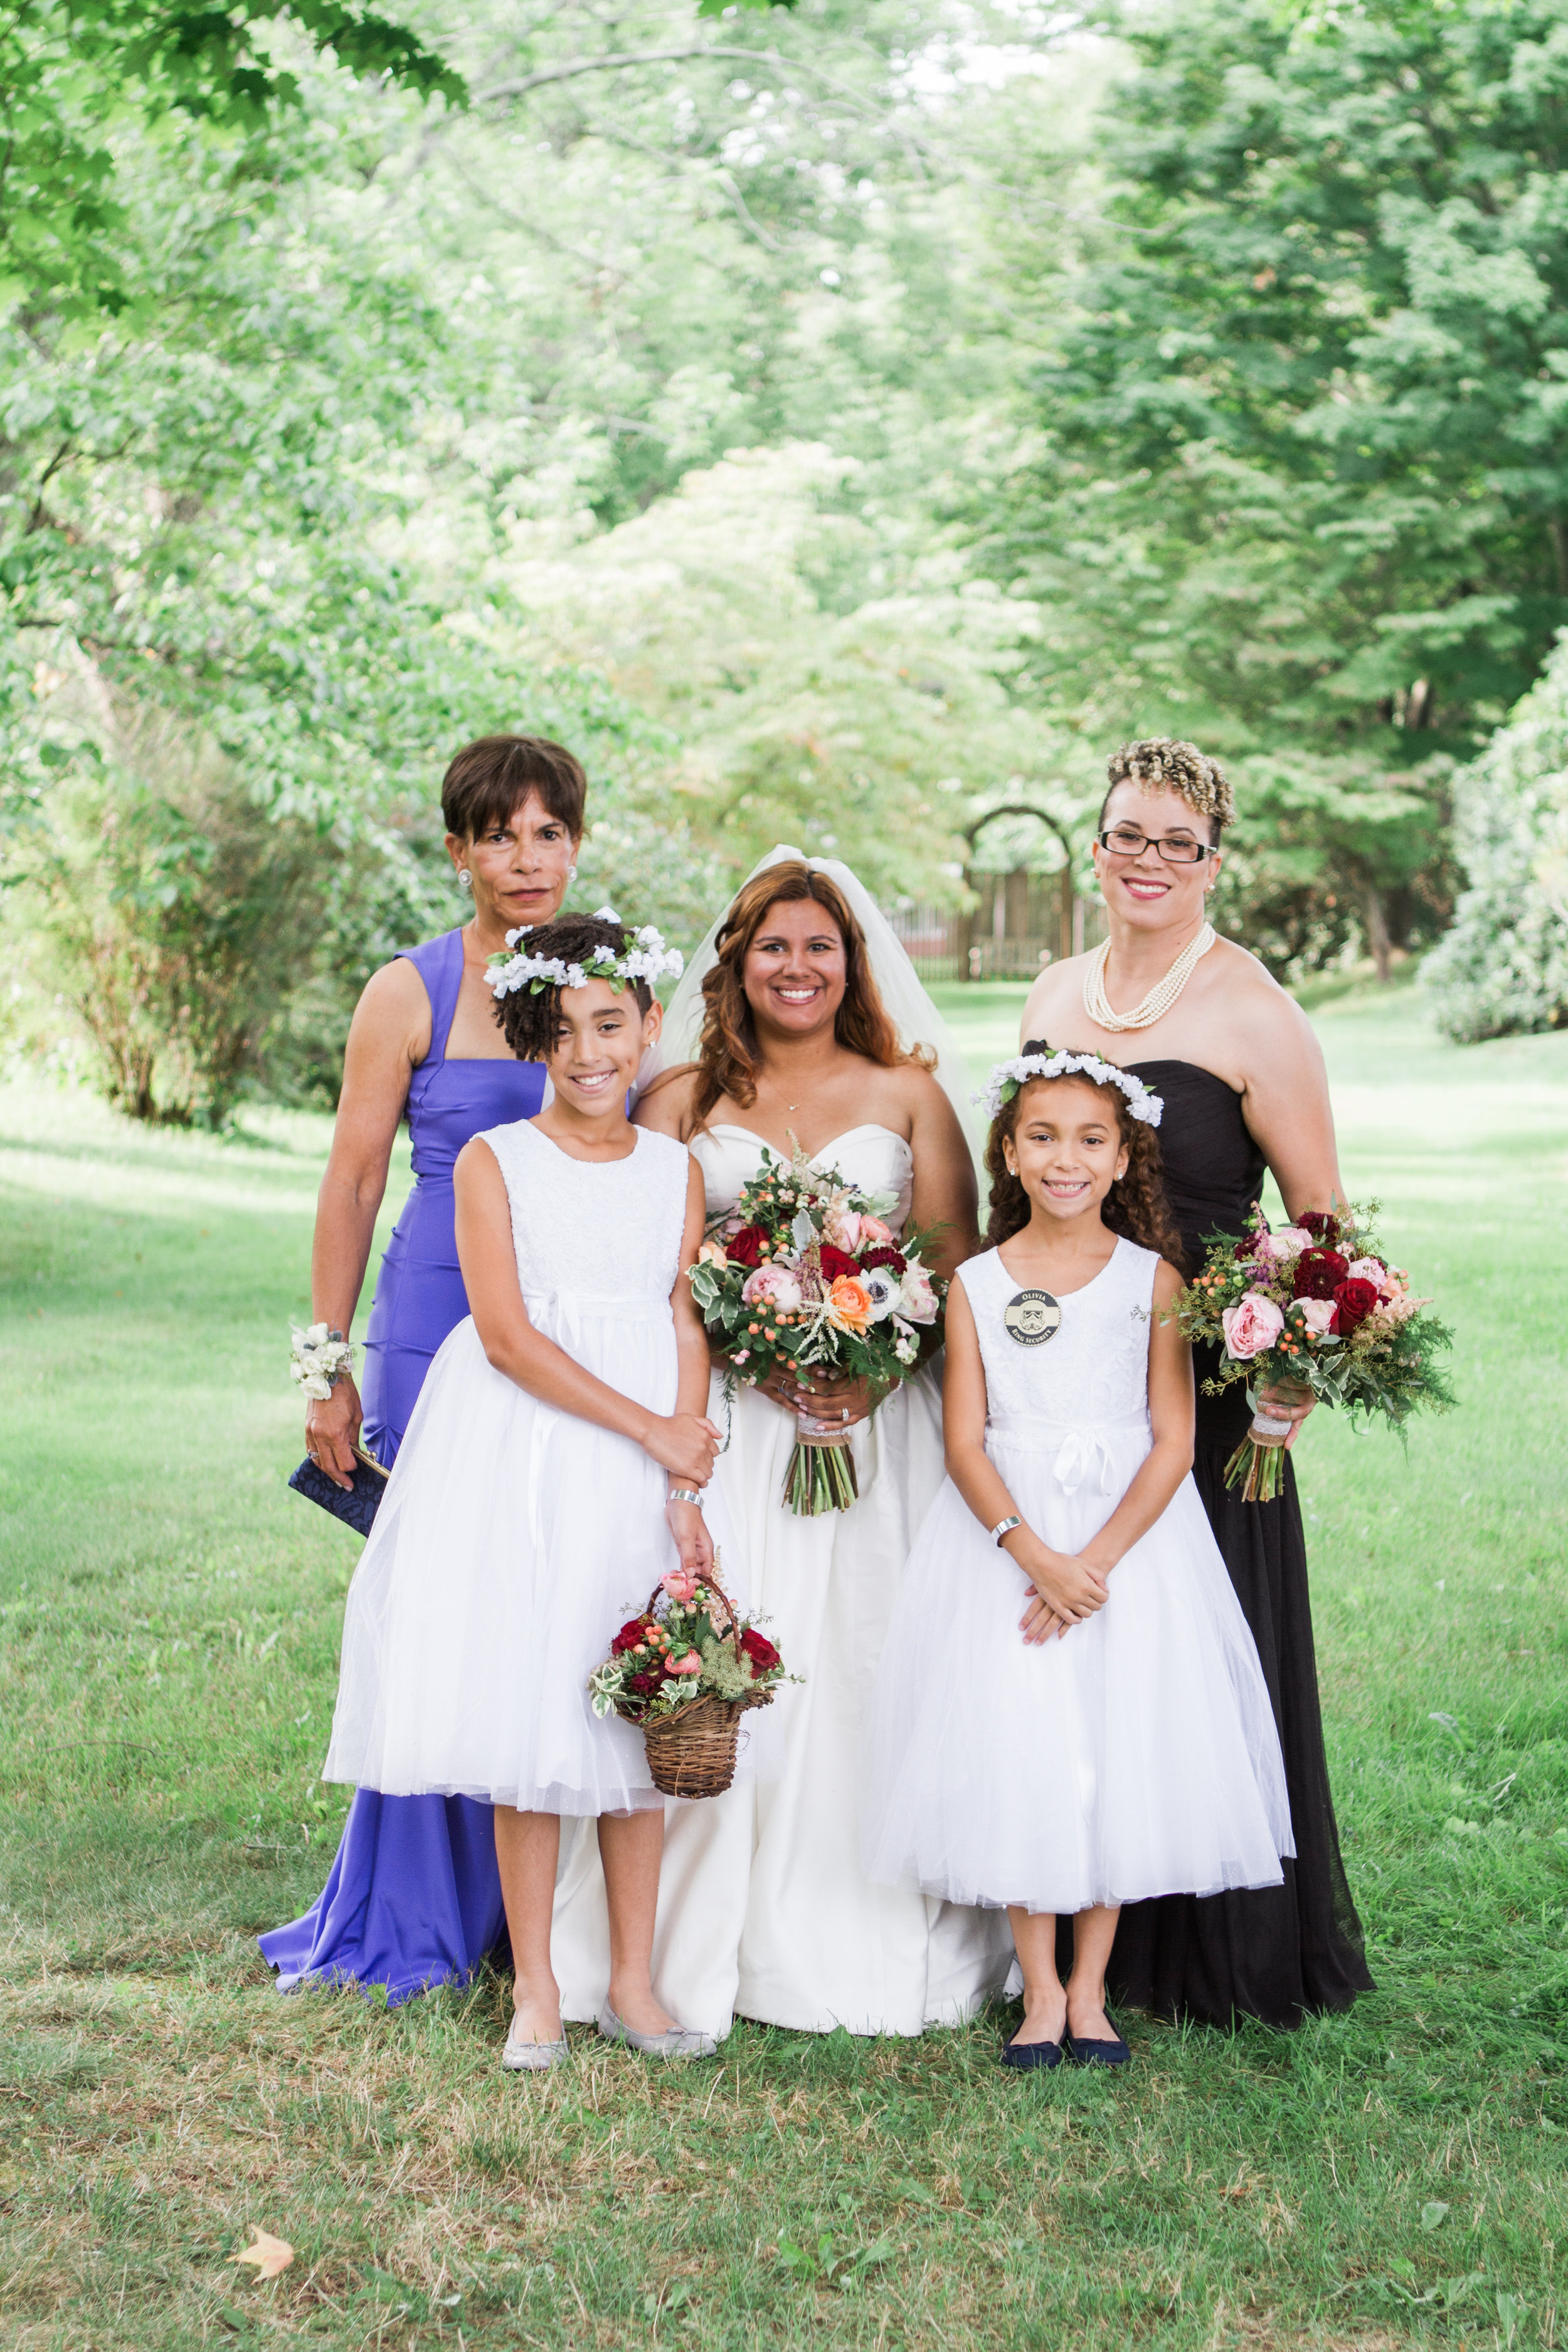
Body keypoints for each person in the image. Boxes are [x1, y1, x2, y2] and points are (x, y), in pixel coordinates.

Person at [623, 851, 1014, 2037]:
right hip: (735, 1430)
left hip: (878, 1431)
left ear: (854, 964)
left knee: (868, 1659)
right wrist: (759, 1349)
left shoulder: (907, 1093)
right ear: (736, 962)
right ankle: (700, 1939)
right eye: (773, 947)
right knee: (755, 1651)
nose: (797, 968)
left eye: (820, 947)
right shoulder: (681, 1099)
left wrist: (867, 1364)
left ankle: (874, 1912)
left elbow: (952, 1266)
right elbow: (650, 1275)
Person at [322, 911, 722, 2067]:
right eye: (565, 1030)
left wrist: (684, 1460)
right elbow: (503, 1333)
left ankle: (634, 1983)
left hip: (648, 1460)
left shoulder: (675, 1168)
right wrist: (647, 1422)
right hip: (535, 1442)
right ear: (535, 1040)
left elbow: (685, 1315)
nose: (591, 1051)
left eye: (613, 1023)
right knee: (535, 1706)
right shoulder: (500, 1161)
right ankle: (538, 1988)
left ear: (651, 1027)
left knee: (648, 1705)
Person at [1019, 739, 1374, 2026]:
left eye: (1176, 841)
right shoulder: (1053, 994)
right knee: (1078, 1633)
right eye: (1128, 835)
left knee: (1204, 1652)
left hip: (1208, 1382)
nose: (1149, 861)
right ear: (1095, 848)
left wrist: (1295, 1371)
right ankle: (1066, 1930)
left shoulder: (1252, 1012)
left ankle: (1209, 1950)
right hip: (1067, 1374)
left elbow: (1322, 1224)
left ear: (1211, 860)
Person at [864, 1051, 1293, 2070]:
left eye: (1090, 1139)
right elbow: (965, 1439)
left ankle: (1094, 1988)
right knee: (1022, 1742)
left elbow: (1174, 1440)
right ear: (1009, 1152)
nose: (1066, 1158)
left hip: (1129, 1547)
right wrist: (1033, 1554)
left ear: (1121, 1157)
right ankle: (1040, 1989)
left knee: (1114, 1747)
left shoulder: (1157, 1280)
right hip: (1005, 1546)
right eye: (1043, 1137)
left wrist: (1089, 1565)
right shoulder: (972, 1283)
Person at [262, 734, 590, 2005]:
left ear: (574, 843)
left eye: (547, 832)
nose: (525, 857)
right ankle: (414, 1903)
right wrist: (325, 1361)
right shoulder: (411, 989)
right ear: (458, 850)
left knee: (562, 1585)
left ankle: (543, 1905)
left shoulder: (615, 975)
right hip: (434, 1320)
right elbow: (350, 1182)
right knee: (445, 1596)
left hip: (572, 1323)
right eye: (498, 834)